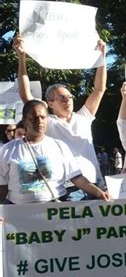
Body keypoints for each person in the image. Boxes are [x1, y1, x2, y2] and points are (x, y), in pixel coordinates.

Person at [0, 100, 109, 277]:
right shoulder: (8, 151)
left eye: (42, 117)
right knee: (26, 272)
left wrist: (99, 193)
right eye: (33, 118)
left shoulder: (59, 147)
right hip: (21, 223)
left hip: (55, 219)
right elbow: (2, 187)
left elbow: (77, 178)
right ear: (25, 120)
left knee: (61, 268)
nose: (39, 121)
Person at [14, 35, 107, 200]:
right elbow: (26, 96)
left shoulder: (84, 116)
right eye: (61, 98)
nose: (68, 100)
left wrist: (102, 58)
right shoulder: (47, 122)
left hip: (96, 183)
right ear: (50, 103)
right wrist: (22, 57)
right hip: (69, 188)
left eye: (69, 97)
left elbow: (99, 89)